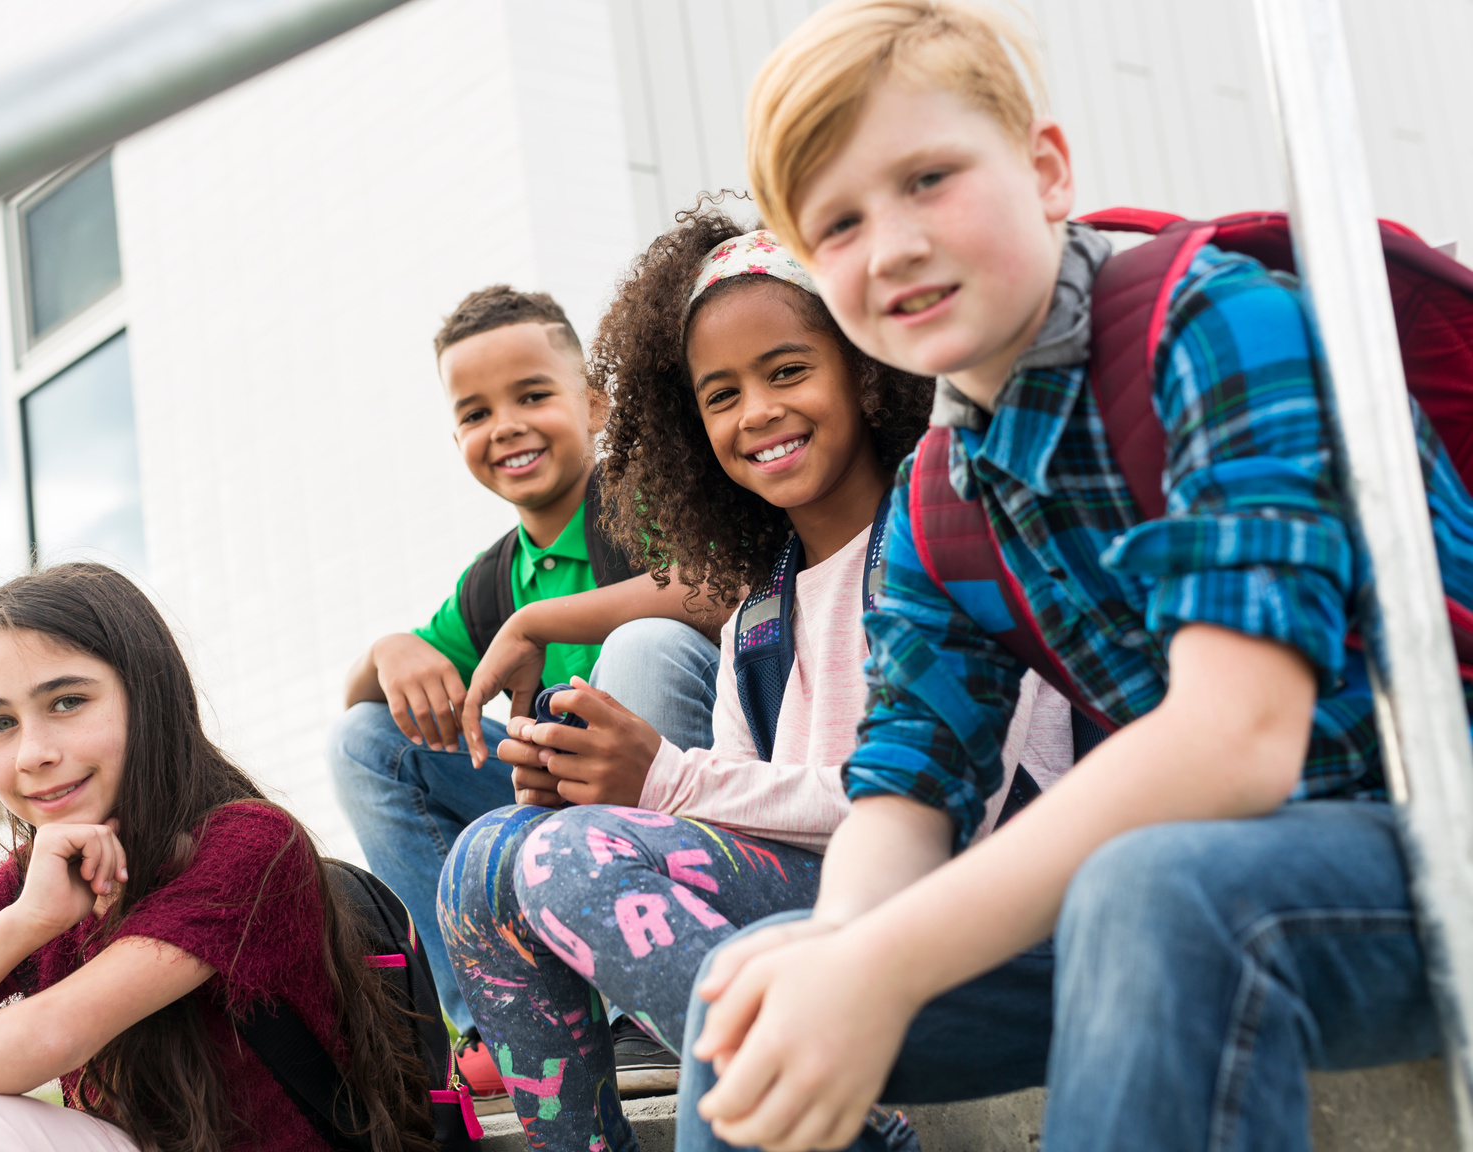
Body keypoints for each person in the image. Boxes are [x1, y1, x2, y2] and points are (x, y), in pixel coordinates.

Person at [675, 3, 1473, 1150]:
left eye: (929, 178)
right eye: (837, 223)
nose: (890, 244)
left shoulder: (1214, 325)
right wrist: (845, 943)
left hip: (1426, 837)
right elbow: (907, 784)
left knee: (1151, 887)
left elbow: (1236, 737)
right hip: (1211, 893)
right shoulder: (937, 494)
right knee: (751, 988)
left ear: (1048, 170)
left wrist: (888, 960)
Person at [438, 207, 1075, 1152]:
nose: (757, 413)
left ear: (865, 369)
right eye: (721, 394)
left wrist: (656, 783)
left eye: (787, 371)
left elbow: (939, 804)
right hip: (837, 920)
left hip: (999, 921)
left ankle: (850, 1133)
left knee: (568, 857)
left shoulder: (948, 528)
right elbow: (749, 819)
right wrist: (590, 782)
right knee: (484, 859)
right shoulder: (760, 614)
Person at [0, 563, 434, 1152]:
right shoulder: (25, 886)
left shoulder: (250, 847)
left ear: (148, 698)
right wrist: (26, 922)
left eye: (67, 701)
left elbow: (52, 1034)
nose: (32, 753)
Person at [331, 285, 723, 1096]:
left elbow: (719, 588)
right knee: (363, 742)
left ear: (595, 405)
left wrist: (544, 622)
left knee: (640, 648)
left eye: (533, 395)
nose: (504, 424)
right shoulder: (492, 583)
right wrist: (391, 647)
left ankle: (645, 1007)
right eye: (476, 412)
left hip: (687, 799)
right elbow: (360, 700)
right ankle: (498, 1022)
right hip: (556, 820)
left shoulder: (646, 502)